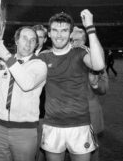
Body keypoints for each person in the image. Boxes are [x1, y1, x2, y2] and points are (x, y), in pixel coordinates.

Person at [38, 10, 105, 161]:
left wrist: (90, 27)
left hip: (79, 125)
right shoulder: (43, 57)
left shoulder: (80, 53)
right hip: (52, 125)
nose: (59, 35)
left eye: (64, 31)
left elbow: (99, 64)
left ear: (70, 34)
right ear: (49, 33)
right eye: (55, 30)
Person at [0, 26, 47, 161]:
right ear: (16, 41)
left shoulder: (39, 65)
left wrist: (6, 56)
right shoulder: (5, 62)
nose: (28, 43)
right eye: (25, 38)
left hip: (25, 131)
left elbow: (26, 84)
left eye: (33, 40)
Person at [71, 25, 109, 161]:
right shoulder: (60, 55)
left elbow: (104, 87)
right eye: (73, 33)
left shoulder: (95, 57)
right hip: (62, 115)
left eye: (79, 33)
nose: (75, 35)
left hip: (88, 114)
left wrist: (94, 84)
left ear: (85, 38)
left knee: (91, 153)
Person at [32, 24, 48, 161]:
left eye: (41, 37)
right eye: (35, 36)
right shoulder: (25, 53)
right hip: (25, 110)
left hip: (42, 108)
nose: (37, 39)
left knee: (39, 145)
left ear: (45, 39)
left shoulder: (49, 55)